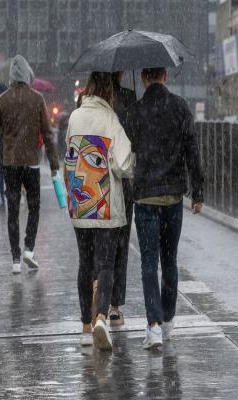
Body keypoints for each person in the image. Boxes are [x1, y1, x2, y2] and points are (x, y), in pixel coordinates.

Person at [125, 67, 204, 350]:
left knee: (148, 261)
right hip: (172, 197)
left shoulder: (135, 111)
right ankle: (168, 318)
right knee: (169, 260)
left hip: (145, 197)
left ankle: (154, 326)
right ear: (165, 76)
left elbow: (129, 149)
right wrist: (198, 191)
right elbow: (192, 150)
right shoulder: (180, 107)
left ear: (144, 77)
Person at [64, 71, 134, 350]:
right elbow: (123, 165)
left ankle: (84, 326)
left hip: (82, 202)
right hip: (106, 205)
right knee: (106, 264)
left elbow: (69, 154)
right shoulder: (110, 119)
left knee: (85, 263)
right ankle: (101, 317)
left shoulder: (74, 117)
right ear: (110, 92)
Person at [0, 55, 59, 274]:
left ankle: (15, 259)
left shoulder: (3, 100)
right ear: (27, 74)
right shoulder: (37, 99)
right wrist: (54, 162)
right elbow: (47, 134)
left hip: (10, 163)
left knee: (12, 210)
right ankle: (29, 247)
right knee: (34, 206)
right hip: (31, 162)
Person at [107, 71, 136, 326]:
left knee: (97, 243)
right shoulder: (129, 98)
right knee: (121, 243)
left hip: (97, 180)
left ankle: (97, 300)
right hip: (124, 179)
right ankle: (114, 305)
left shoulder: (89, 100)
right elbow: (133, 140)